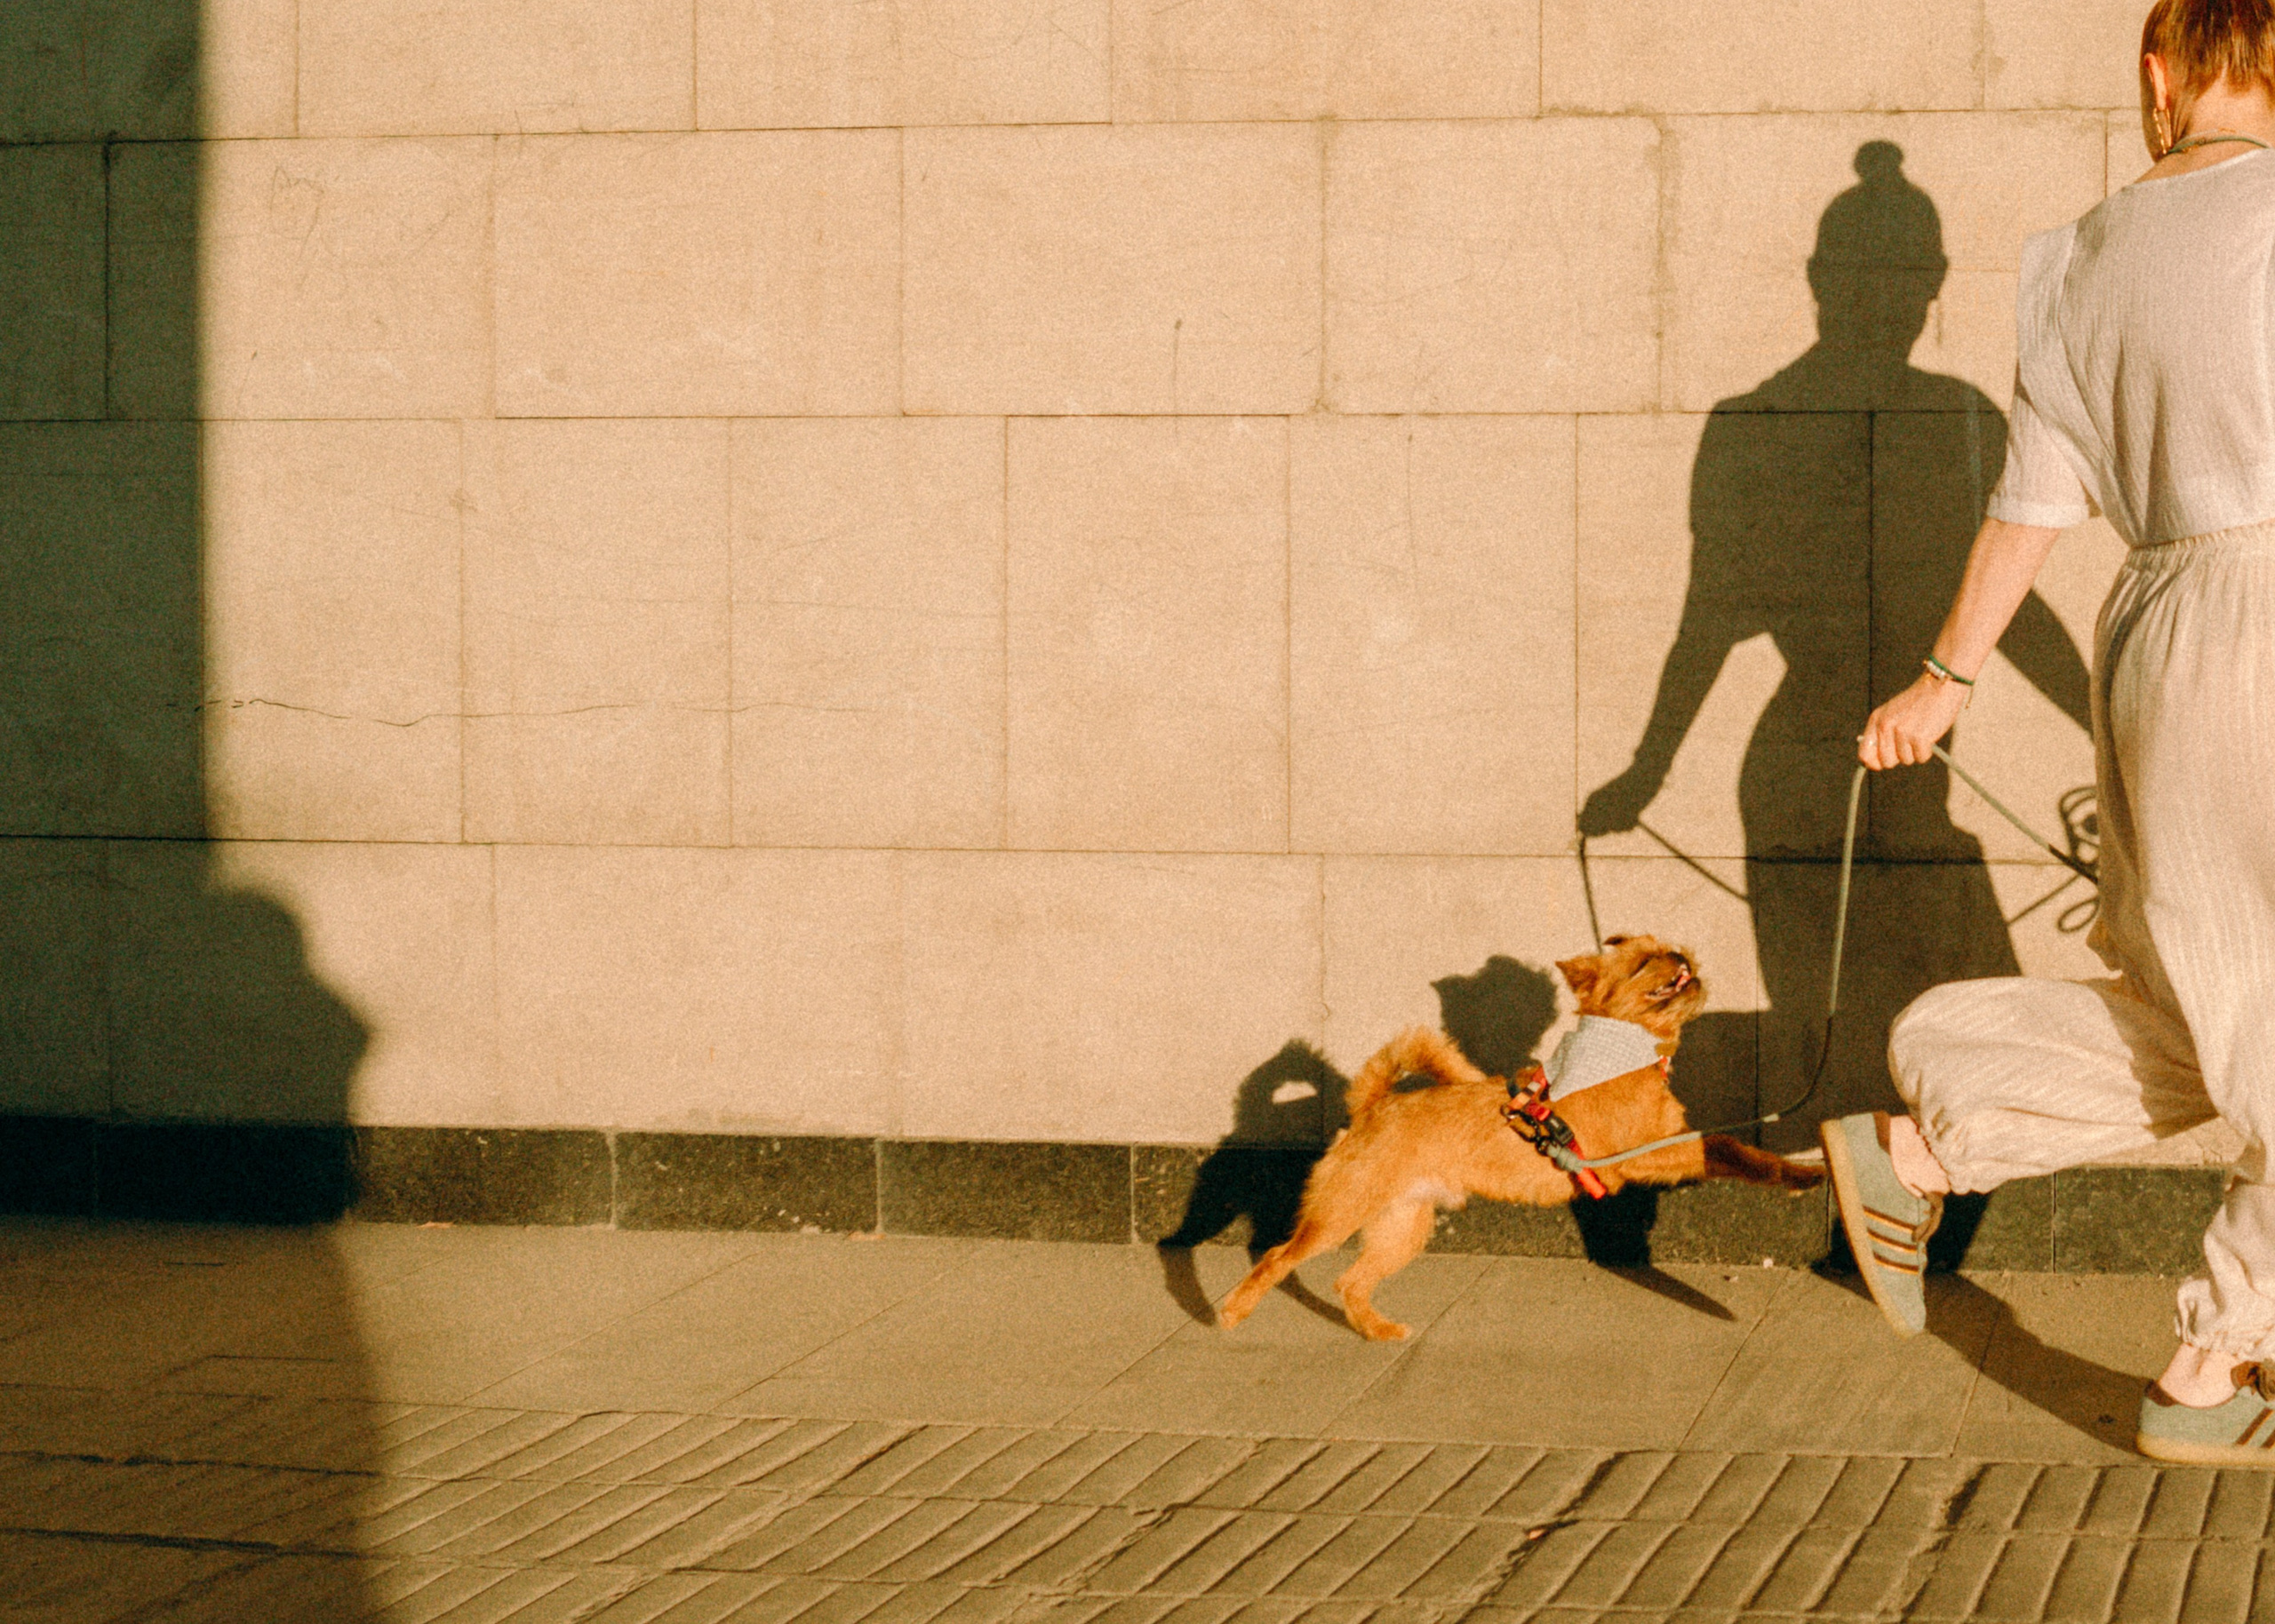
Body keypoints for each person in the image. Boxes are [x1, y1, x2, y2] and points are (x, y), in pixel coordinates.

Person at [1835, 0, 2275, 1468]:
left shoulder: (2071, 263)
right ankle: (2209, 1365)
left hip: (2155, 642)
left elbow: (2034, 501)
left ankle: (1923, 1142)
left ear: (2159, 76)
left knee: (2213, 1012)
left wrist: (1944, 678)